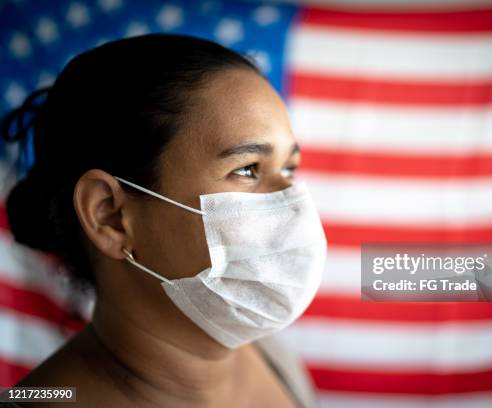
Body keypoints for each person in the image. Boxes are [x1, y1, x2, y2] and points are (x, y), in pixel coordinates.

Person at [0, 33, 327, 407]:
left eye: (289, 168)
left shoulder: (270, 355)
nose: (292, 202)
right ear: (110, 215)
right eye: (248, 169)